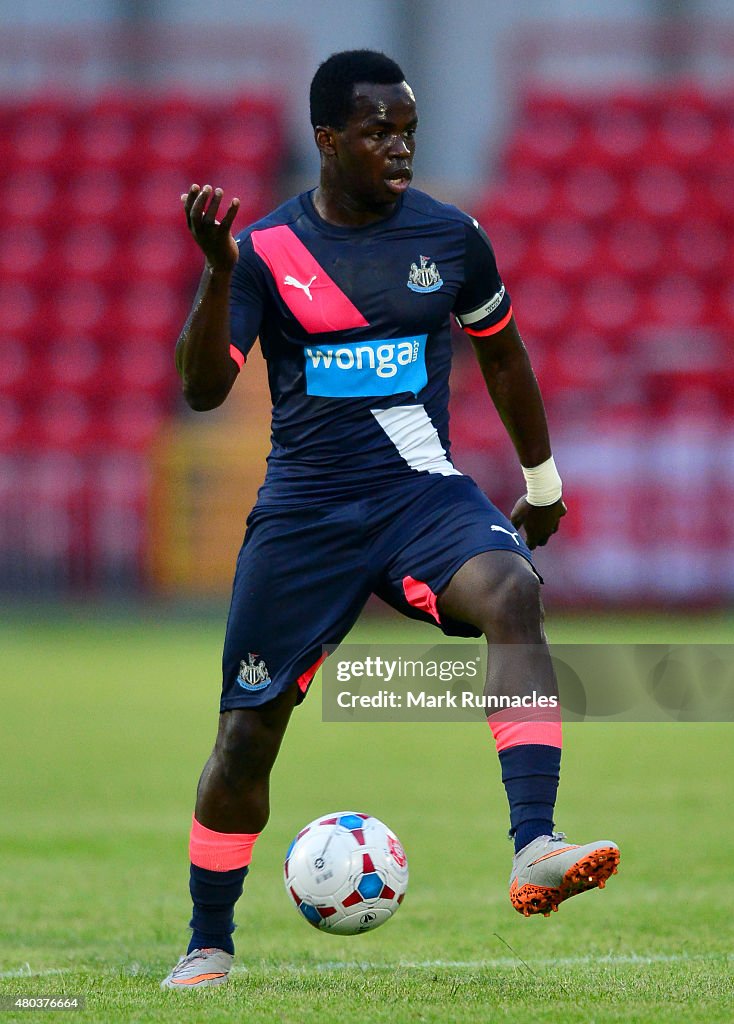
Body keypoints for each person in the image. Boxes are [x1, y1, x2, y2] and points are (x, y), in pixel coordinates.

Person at [161, 49, 619, 989]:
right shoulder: (270, 253)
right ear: (328, 141)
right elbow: (204, 388)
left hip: (421, 496)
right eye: (379, 132)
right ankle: (210, 938)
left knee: (513, 592)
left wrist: (541, 481)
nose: (400, 147)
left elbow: (504, 358)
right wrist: (216, 273)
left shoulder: (452, 239)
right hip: (306, 517)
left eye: (408, 130)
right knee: (246, 740)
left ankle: (535, 844)